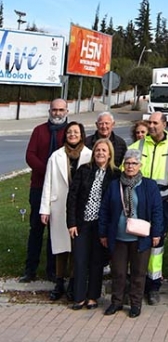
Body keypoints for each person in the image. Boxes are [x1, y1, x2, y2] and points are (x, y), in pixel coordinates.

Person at [128, 111, 168, 305]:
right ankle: (138, 283)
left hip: (164, 203)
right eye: (150, 123)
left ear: (164, 124)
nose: (152, 126)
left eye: (155, 123)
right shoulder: (136, 147)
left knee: (156, 243)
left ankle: (153, 285)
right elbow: (127, 170)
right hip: (139, 202)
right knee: (136, 241)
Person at [99, 148, 164, 318]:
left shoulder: (149, 185)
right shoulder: (115, 185)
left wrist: (156, 233)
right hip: (118, 236)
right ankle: (116, 302)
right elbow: (104, 210)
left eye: (134, 163)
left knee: (138, 273)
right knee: (118, 272)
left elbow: (157, 210)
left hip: (141, 237)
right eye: (127, 163)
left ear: (140, 165)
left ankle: (135, 304)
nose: (130, 166)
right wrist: (103, 233)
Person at [40, 121, 92, 301]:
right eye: (69, 132)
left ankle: (73, 282)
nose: (72, 135)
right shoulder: (56, 156)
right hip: (59, 206)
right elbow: (48, 183)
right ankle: (59, 282)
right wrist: (44, 209)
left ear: (82, 134)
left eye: (76, 132)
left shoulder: (89, 155)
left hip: (80, 208)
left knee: (75, 247)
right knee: (60, 247)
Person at [67, 138, 120, 309]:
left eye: (104, 150)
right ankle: (79, 296)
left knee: (97, 261)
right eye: (97, 150)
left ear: (110, 153)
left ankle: (92, 297)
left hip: (101, 225)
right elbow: (72, 198)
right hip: (82, 224)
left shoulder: (115, 175)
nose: (100, 153)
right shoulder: (84, 170)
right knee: (80, 259)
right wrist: (72, 223)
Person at [20, 98, 69, 283]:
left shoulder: (70, 131)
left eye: (61, 110)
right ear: (50, 111)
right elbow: (30, 155)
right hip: (39, 187)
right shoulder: (39, 130)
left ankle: (52, 270)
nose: (57, 113)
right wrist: (47, 170)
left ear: (66, 110)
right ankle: (30, 269)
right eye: (54, 110)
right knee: (36, 229)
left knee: (55, 232)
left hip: (60, 190)